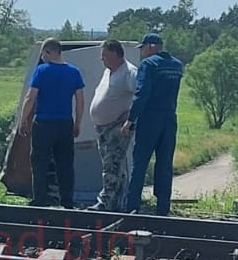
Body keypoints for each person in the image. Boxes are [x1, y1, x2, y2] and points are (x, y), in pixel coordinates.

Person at [121, 32, 184, 216]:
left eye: (142, 48)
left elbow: (142, 93)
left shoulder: (148, 65)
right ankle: (162, 207)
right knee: (165, 163)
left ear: (149, 46)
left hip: (150, 118)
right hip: (170, 118)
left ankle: (132, 205)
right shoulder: (177, 65)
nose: (141, 52)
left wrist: (130, 120)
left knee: (140, 162)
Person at [17, 38, 85, 207]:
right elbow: (80, 100)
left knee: (39, 162)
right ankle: (67, 200)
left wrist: (23, 120)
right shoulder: (74, 72)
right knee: (65, 163)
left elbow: (30, 97)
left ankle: (40, 199)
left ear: (48, 52)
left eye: (43, 54)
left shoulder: (42, 71)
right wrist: (77, 123)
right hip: (65, 123)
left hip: (44, 123)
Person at [88, 39, 137, 211]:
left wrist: (129, 115)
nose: (102, 59)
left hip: (117, 128)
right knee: (114, 166)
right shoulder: (109, 72)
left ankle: (106, 202)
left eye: (105, 56)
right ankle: (117, 202)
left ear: (117, 54)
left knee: (111, 165)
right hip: (102, 128)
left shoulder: (129, 72)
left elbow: (140, 94)